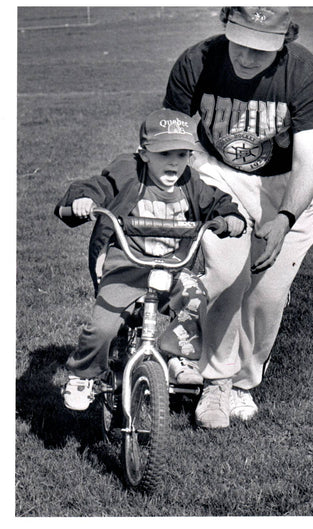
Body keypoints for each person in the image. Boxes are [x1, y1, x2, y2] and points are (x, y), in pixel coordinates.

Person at [162, 7, 313, 428]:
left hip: (284, 186)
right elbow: (174, 134)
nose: (248, 56)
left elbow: (309, 163)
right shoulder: (197, 60)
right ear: (226, 25)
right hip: (219, 175)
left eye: (263, 48)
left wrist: (285, 218)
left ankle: (243, 382)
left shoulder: (307, 74)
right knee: (227, 274)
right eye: (241, 41)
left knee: (266, 296)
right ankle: (217, 380)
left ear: (284, 39)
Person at [54, 109, 245, 411]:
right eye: (164, 153)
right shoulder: (127, 172)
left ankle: (179, 356)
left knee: (196, 303)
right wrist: (82, 201)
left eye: (182, 154)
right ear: (144, 154)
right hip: (127, 267)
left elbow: (216, 201)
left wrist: (230, 218)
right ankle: (83, 374)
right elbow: (97, 187)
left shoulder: (190, 182)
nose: (174, 162)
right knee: (102, 328)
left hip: (173, 267)